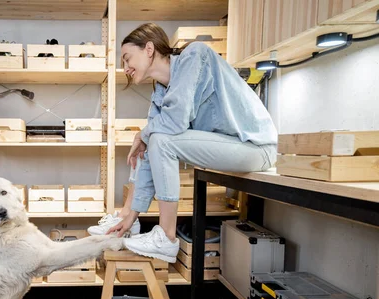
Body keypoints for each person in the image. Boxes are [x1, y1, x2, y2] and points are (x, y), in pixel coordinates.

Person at [89, 23, 277, 263]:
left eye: (127, 59)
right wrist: (130, 215)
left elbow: (175, 121)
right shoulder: (160, 93)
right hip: (230, 147)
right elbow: (150, 148)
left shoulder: (194, 55)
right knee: (154, 139)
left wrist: (143, 134)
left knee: (158, 138)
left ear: (148, 49)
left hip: (256, 147)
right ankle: (130, 220)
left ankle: (166, 237)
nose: (125, 68)